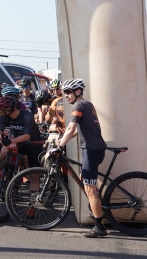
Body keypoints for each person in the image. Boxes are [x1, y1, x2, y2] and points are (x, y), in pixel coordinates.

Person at [56, 79, 107, 238]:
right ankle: (97, 206)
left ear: (78, 91)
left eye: (68, 92)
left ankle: (99, 227)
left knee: (90, 190)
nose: (66, 95)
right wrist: (63, 139)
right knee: (83, 180)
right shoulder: (87, 104)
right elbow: (80, 129)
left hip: (91, 151)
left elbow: (71, 127)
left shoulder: (78, 105)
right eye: (64, 92)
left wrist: (60, 146)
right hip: (94, 149)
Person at [0, 95, 42, 216]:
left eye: (2, 110)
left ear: (9, 109)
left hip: (32, 143)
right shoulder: (4, 116)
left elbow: (26, 136)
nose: (0, 112)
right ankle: (6, 170)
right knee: (4, 152)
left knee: (33, 176)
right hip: (17, 141)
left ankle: (32, 206)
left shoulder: (26, 115)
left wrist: (10, 140)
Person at [45, 80, 65, 144]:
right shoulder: (69, 98)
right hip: (70, 130)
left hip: (61, 131)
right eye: (54, 89)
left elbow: (48, 119)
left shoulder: (56, 101)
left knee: (49, 143)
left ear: (61, 88)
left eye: (57, 89)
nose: (55, 91)